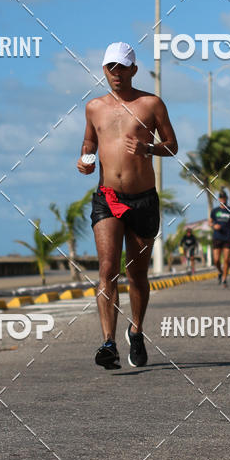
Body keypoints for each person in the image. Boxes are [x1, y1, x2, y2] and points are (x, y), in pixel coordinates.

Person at [77, 42, 178, 369]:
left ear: (134, 70)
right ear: (104, 70)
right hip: (107, 197)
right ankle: (108, 343)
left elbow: (173, 146)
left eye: (122, 67)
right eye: (110, 68)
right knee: (107, 269)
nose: (116, 74)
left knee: (137, 275)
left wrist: (148, 147)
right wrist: (87, 158)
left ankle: (136, 330)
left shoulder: (152, 104)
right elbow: (90, 139)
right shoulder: (94, 107)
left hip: (143, 200)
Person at [210, 190, 230, 287]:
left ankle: (224, 279)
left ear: (226, 199)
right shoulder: (215, 211)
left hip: (227, 238)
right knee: (216, 260)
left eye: (224, 198)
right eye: (221, 198)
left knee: (226, 259)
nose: (222, 199)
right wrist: (214, 226)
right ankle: (220, 271)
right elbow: (210, 222)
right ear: (219, 199)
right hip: (217, 237)